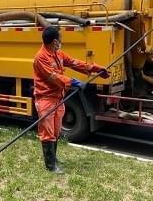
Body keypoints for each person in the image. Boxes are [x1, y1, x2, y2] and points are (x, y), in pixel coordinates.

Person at [33, 26, 109, 173]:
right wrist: (73, 82)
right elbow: (53, 77)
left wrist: (96, 69)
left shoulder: (58, 53)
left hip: (58, 98)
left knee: (55, 131)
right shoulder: (40, 58)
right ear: (55, 41)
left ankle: (53, 158)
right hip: (46, 99)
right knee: (47, 132)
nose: (62, 40)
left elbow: (75, 63)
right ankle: (50, 165)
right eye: (60, 38)